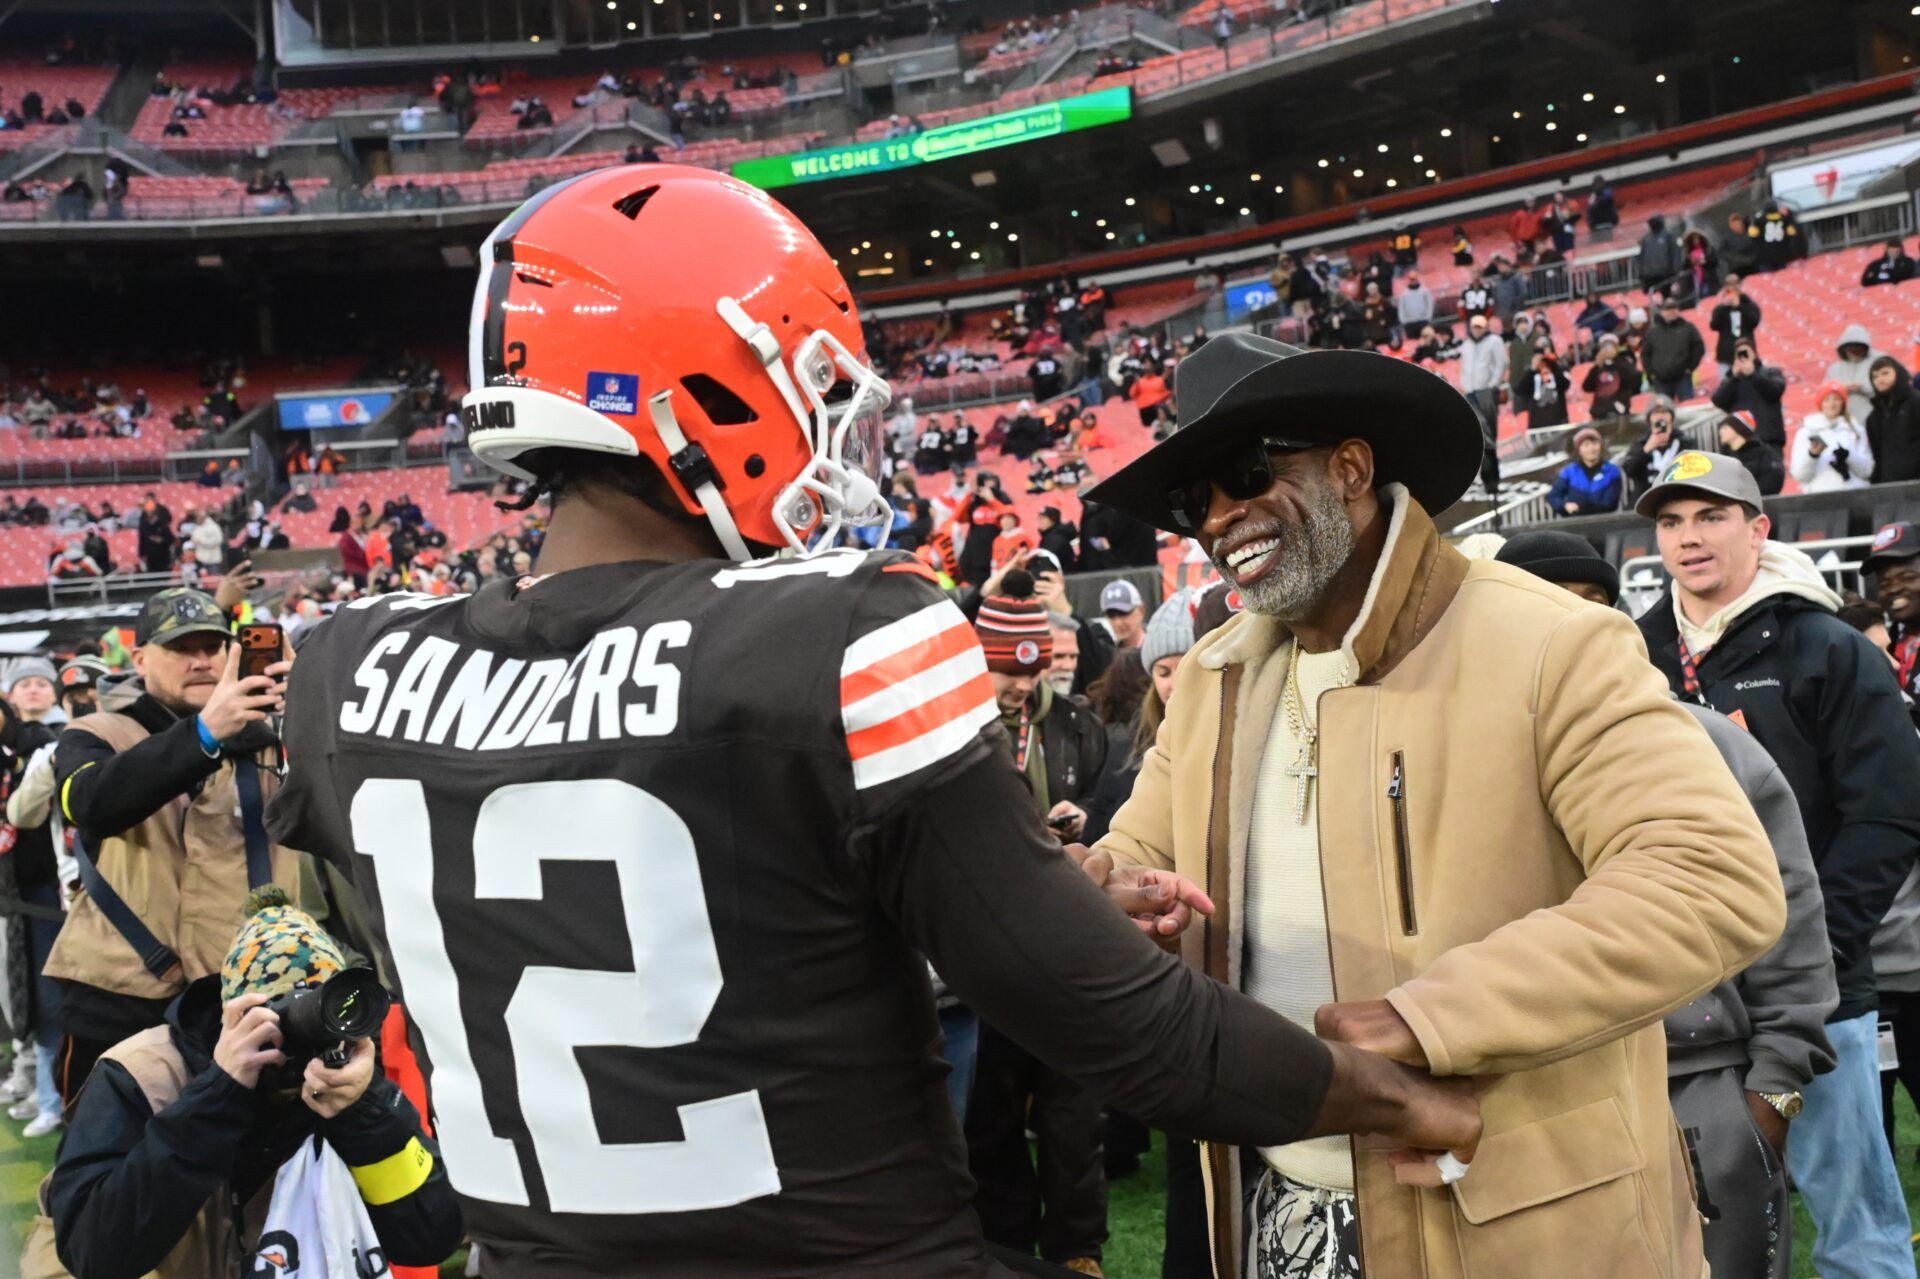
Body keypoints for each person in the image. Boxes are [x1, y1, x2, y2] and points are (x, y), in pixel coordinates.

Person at [266, 166, 1481, 1279]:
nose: (829, 435)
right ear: (702, 387)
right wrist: (1386, 1097)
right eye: (812, 391)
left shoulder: (346, 669)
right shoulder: (838, 633)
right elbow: (1123, 1030)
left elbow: (657, 917)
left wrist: (1004, 888)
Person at [1081, 332, 1784, 1279]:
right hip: (1264, 1210)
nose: (1219, 518)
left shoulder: (1551, 641)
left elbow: (1711, 878)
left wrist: (1433, 1017)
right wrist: (1114, 899)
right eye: (1191, 499)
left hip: (1514, 1222)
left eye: (1246, 473)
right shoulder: (1211, 680)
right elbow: (1134, 856)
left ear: (1351, 468)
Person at [1498, 530, 1840, 1279]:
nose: (1568, 627)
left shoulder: (1707, 742)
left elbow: (1791, 916)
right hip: (1523, 1105)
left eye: (1589, 607)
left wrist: (1773, 1092)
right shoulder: (1457, 762)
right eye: (1537, 610)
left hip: (1699, 1093)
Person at [1634, 451, 1920, 1279]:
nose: (1689, 537)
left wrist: (1815, 953)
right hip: (1682, 998)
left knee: (1854, 1225)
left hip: (1816, 993)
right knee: (1683, 1224)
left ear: (1758, 528)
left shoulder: (1827, 646)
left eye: (1712, 515)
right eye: (1671, 520)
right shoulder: (1629, 652)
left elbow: (1888, 813)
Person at [38, 886, 464, 1279]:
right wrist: (220, 1093)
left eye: (318, 1010)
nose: (301, 1039)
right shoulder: (142, 1074)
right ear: (232, 1016)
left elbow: (430, 1239)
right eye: (281, 1013)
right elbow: (94, 1253)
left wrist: (365, 1115)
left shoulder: (345, 1079)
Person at [42, 588, 302, 1106]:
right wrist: (207, 734)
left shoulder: (276, 733)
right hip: (117, 991)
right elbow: (91, 804)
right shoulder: (95, 730)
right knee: (109, 1171)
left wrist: (309, 708)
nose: (202, 660)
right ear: (139, 659)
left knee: (256, 1173)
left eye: (214, 645)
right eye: (182, 647)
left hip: (249, 992)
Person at [965, 573, 1111, 1273]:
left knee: (1071, 1109)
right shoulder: (952, 727)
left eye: (1028, 672)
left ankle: (1078, 1245)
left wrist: (1086, 825)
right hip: (985, 951)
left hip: (1061, 943)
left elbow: (1109, 813)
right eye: (1003, 670)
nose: (1018, 686)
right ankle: (1004, 1240)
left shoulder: (1076, 724)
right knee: (991, 1110)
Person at [1, 662, 66, 1138]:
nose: (35, 688)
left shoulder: (52, 739)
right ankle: (35, 1084)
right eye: (26, 682)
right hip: (17, 893)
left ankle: (52, 1094)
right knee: (18, 994)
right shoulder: (16, 749)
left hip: (54, 890)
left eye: (42, 681)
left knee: (51, 998)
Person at [1457, 313, 1507, 499]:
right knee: (1481, 433)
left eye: (1480, 326)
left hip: (1486, 391)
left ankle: (1493, 477)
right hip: (1470, 391)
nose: (1477, 329)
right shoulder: (1467, 344)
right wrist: (1464, 384)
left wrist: (1492, 384)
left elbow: (1501, 363)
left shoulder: (1494, 341)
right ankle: (1489, 478)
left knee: (1489, 434)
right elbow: (1464, 367)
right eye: (1474, 326)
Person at [1791, 382, 1874, 494]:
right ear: (1821, 403)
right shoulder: (1806, 432)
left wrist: (1849, 456)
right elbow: (1799, 475)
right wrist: (1812, 455)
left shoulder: (1856, 431)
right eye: (1827, 400)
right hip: (1820, 497)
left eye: (1836, 399)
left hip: (1854, 494)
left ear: (1843, 403)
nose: (1832, 404)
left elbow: (1867, 470)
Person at [1711, 338, 1788, 447]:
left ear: (1754, 353)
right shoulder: (1731, 379)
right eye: (1739, 354)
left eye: (1746, 352)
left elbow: (1775, 392)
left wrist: (1753, 374)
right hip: (1741, 442)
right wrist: (1734, 377)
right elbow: (1718, 401)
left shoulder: (1771, 372)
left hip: (1769, 438)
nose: (1743, 356)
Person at [1621, 395, 1683, 506]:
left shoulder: (1685, 441)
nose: (1660, 417)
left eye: (1664, 413)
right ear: (1649, 418)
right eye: (1656, 413)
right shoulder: (1640, 444)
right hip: (1646, 499)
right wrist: (1647, 448)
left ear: (1671, 417)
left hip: (1676, 497)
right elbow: (1629, 470)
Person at [1866, 356, 1920, 483]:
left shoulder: (1916, 402)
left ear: (1898, 373)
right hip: (1889, 488)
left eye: (1885, 373)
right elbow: (1878, 457)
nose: (1880, 379)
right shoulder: (1874, 417)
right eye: (1875, 376)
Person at [1546, 426, 1622, 516]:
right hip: (1574, 522)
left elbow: (1610, 503)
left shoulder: (1612, 471)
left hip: (1603, 521)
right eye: (1586, 445)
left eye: (1595, 444)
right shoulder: (1569, 472)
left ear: (1601, 446)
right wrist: (1564, 506)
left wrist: (1583, 508)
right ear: (1579, 450)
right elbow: (1553, 496)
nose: (1591, 449)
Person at [1642, 295, 1705, 401]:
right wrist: (1652, 373)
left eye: (1674, 308)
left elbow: (1699, 348)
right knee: (1663, 409)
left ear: (1678, 310)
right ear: (1661, 311)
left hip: (1682, 377)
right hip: (1660, 380)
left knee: (1687, 407)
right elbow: (1645, 354)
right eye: (1667, 309)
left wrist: (1689, 368)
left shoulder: (1688, 328)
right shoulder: (1652, 332)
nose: (1671, 312)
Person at [1717, 409, 1786, 497]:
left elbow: (1772, 485)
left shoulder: (1764, 454)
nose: (1720, 431)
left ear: (1738, 430)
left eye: (1725, 427)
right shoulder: (1724, 457)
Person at [1707, 275, 1762, 379]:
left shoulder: (1749, 304)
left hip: (1745, 353)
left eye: (1734, 284)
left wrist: (1740, 306)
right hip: (1725, 355)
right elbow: (1714, 325)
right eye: (1729, 285)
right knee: (1726, 386)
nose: (1732, 288)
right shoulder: (1721, 308)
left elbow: (1754, 321)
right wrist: (1723, 307)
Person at [1827, 323, 1882, 425]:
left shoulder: (1879, 361)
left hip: (1876, 419)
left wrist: (1862, 388)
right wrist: (1840, 389)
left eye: (1858, 348)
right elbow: (1825, 394)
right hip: (1844, 422)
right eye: (1850, 348)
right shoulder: (1834, 369)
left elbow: (1888, 388)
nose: (1854, 352)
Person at [1581, 331, 1641, 420]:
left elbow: (1635, 379)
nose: (1607, 348)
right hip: (1600, 412)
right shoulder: (1599, 366)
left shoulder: (1623, 362)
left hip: (1619, 411)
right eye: (1604, 346)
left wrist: (1616, 360)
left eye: (1611, 345)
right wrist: (1597, 366)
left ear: (1617, 347)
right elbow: (1586, 387)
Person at [1637, 213, 1683, 293]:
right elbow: (1642, 258)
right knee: (1653, 293)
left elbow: (1675, 253)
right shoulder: (1646, 239)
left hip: (1666, 273)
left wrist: (1675, 271)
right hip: (1650, 275)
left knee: (1667, 293)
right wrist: (1642, 274)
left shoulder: (1668, 236)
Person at [1098, 579, 1146, 650]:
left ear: (1141, 610)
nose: (1118, 623)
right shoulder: (1108, 655)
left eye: (1124, 613)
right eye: (1111, 615)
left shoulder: (1157, 650)